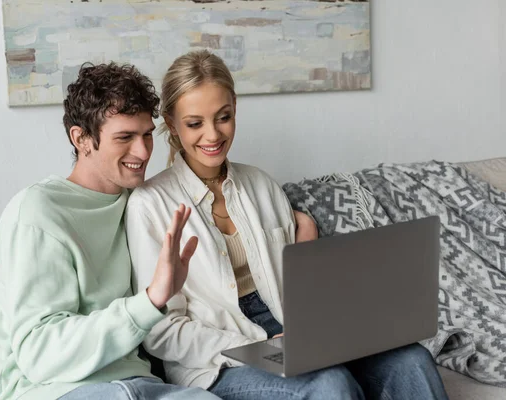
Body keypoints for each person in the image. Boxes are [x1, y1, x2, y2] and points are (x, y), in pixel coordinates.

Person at [125, 50, 449, 400]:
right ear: (172, 123)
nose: (212, 135)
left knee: (412, 360)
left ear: (235, 107)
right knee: (328, 384)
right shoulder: (150, 205)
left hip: (293, 338)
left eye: (223, 117)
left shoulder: (262, 185)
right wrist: (260, 345)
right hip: (216, 362)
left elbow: (300, 293)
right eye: (194, 123)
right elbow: (160, 331)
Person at [0, 62, 220, 400]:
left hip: (141, 384)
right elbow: (39, 352)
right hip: (51, 390)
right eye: (125, 137)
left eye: (147, 134)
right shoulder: (38, 212)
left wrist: (296, 220)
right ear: (81, 138)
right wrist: (150, 300)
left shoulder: (143, 203)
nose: (142, 152)